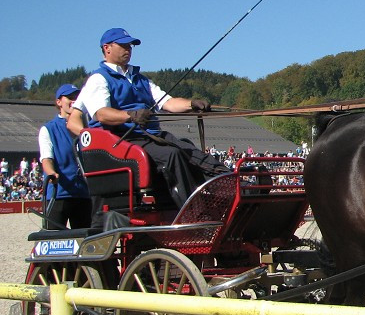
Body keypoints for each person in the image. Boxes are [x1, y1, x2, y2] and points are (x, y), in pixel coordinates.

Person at [73, 27, 228, 210]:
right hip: (122, 139)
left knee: (190, 151)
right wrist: (130, 115)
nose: (128, 49)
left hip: (150, 136)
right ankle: (193, 211)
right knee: (172, 155)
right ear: (107, 48)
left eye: (130, 45)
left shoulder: (141, 79)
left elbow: (168, 103)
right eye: (123, 45)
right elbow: (101, 114)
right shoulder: (99, 79)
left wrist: (191, 104)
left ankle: (231, 188)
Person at [38, 84, 92, 229]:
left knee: (84, 243)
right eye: (70, 97)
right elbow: (46, 158)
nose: (74, 100)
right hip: (59, 194)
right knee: (52, 240)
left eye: (76, 97)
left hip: (83, 194)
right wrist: (51, 173)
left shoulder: (88, 127)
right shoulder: (48, 129)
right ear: (59, 102)